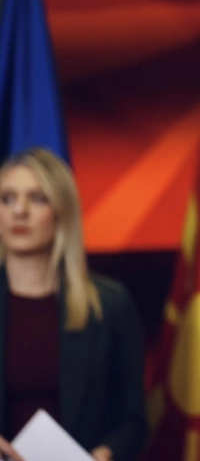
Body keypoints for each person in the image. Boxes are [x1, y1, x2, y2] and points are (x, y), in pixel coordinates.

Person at [0, 148, 148, 461]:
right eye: (7, 199)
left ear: (62, 211)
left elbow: (133, 421)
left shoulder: (110, 304)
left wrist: (102, 454)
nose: (19, 211)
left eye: (37, 198)